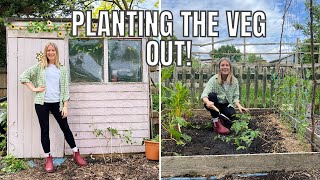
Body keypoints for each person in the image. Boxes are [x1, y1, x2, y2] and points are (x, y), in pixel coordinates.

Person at [20, 42, 87, 173]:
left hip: (58, 103)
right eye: (48, 50)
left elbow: (65, 89)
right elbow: (23, 77)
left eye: (53, 50)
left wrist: (65, 106)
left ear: (56, 52)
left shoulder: (62, 69)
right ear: (46, 52)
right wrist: (34, 88)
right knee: (45, 130)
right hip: (42, 103)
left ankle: (76, 153)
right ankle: (48, 157)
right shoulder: (40, 67)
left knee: (65, 128)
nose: (50, 52)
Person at [201, 57, 248, 135]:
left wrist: (239, 106)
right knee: (212, 95)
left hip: (226, 105)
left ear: (230, 68)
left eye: (227, 65)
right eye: (222, 65)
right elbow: (204, 94)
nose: (225, 67)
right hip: (214, 105)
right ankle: (216, 122)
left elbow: (235, 97)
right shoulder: (214, 79)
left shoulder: (234, 81)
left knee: (232, 117)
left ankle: (221, 118)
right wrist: (207, 102)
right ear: (219, 68)